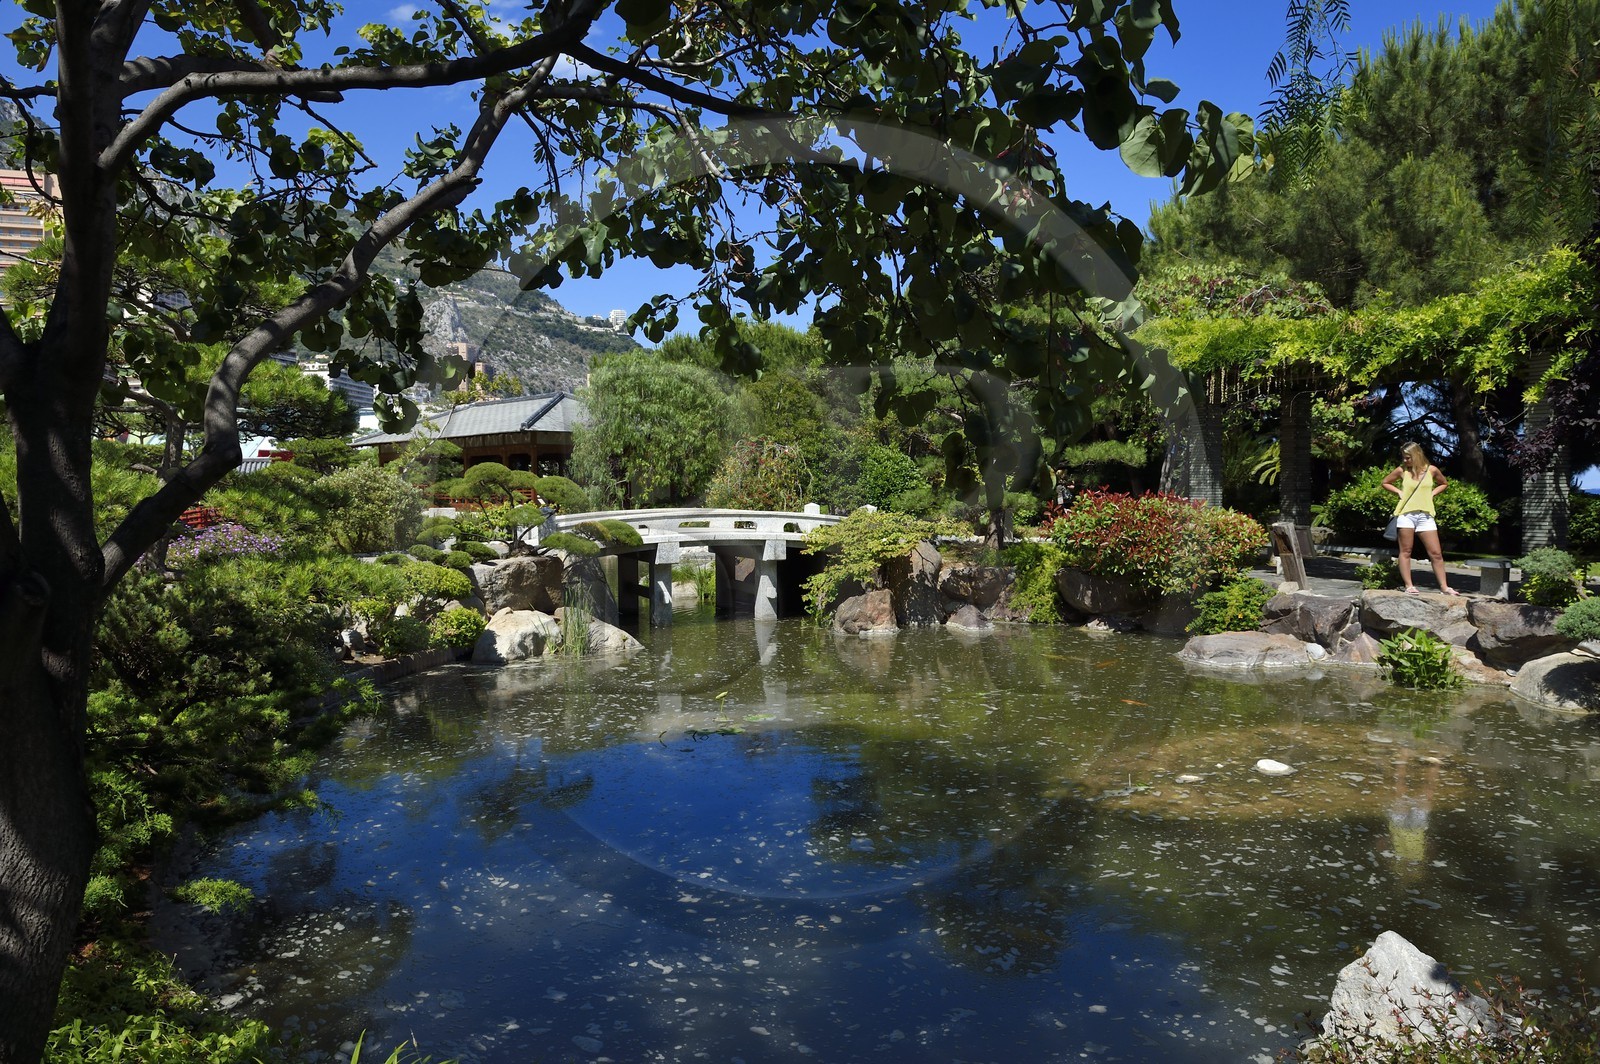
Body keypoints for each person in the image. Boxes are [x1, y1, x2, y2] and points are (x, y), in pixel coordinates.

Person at [1381, 442, 1458, 596]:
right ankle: (1409, 585)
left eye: (1407, 457)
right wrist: (1398, 492)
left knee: (1436, 553)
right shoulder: (1402, 471)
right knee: (1406, 551)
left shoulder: (1432, 470)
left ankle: (1444, 587)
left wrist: (1433, 493)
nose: (1405, 460)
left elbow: (1443, 483)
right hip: (1406, 514)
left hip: (1426, 515)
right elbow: (1385, 482)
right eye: (1403, 457)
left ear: (1416, 455)